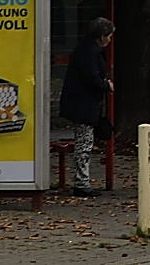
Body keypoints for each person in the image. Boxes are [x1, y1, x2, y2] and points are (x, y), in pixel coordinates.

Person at [59, 17, 115, 198]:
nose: (110, 40)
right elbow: (92, 79)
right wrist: (106, 85)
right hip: (82, 104)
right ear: (102, 36)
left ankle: (82, 181)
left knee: (85, 141)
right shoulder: (90, 52)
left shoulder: (86, 49)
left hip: (81, 103)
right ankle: (81, 182)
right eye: (109, 36)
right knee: (84, 143)